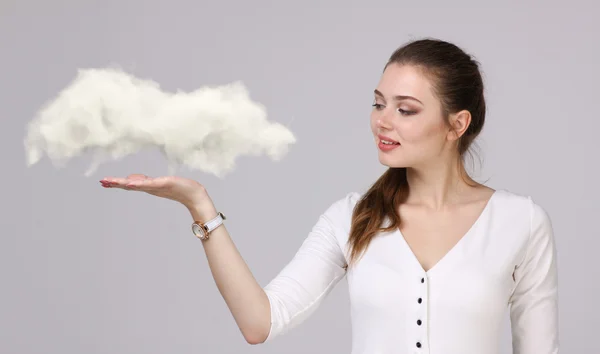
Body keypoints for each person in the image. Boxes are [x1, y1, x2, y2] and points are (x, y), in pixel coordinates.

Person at [99, 38, 559, 354]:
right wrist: (199, 205)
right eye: (378, 103)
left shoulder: (520, 222)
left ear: (457, 125)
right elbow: (261, 321)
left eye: (406, 109)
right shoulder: (352, 218)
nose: (383, 121)